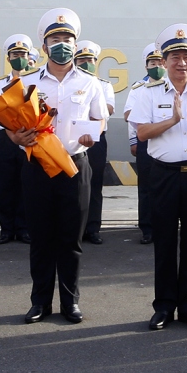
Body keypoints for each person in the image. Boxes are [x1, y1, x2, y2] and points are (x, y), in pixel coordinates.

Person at [10, 8, 106, 325]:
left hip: (75, 166)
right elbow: (11, 126)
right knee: (40, 238)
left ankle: (70, 302)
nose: (62, 43)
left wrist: (95, 134)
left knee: (70, 239)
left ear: (76, 45)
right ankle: (39, 302)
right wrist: (17, 137)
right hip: (38, 166)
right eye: (55, 39)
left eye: (67, 38)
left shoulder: (91, 82)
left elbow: (99, 119)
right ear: (44, 46)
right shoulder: (26, 82)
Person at [128, 24, 187, 331]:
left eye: (186, 56)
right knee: (165, 241)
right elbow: (142, 133)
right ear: (165, 60)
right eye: (175, 57)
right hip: (163, 175)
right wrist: (172, 119)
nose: (181, 62)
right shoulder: (146, 92)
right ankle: (164, 306)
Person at [0, 34, 35, 245]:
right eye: (15, 54)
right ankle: (6, 228)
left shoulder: (36, 80)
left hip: (31, 137)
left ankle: (24, 227)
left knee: (28, 183)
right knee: (6, 184)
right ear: (8, 59)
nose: (19, 57)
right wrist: (11, 134)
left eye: (23, 54)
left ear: (29, 57)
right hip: (7, 138)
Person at [74, 40, 115, 245]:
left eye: (90, 60)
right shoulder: (71, 85)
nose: (86, 63)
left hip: (96, 140)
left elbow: (107, 110)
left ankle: (93, 228)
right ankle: (75, 228)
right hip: (74, 141)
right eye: (81, 60)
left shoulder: (103, 85)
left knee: (95, 185)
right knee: (74, 186)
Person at [126, 43, 163, 244]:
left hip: (167, 143)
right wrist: (134, 140)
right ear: (146, 65)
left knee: (166, 187)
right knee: (147, 187)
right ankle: (147, 228)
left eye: (159, 62)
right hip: (146, 142)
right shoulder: (138, 89)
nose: (156, 65)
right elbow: (128, 115)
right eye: (152, 62)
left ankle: (166, 225)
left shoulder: (174, 87)